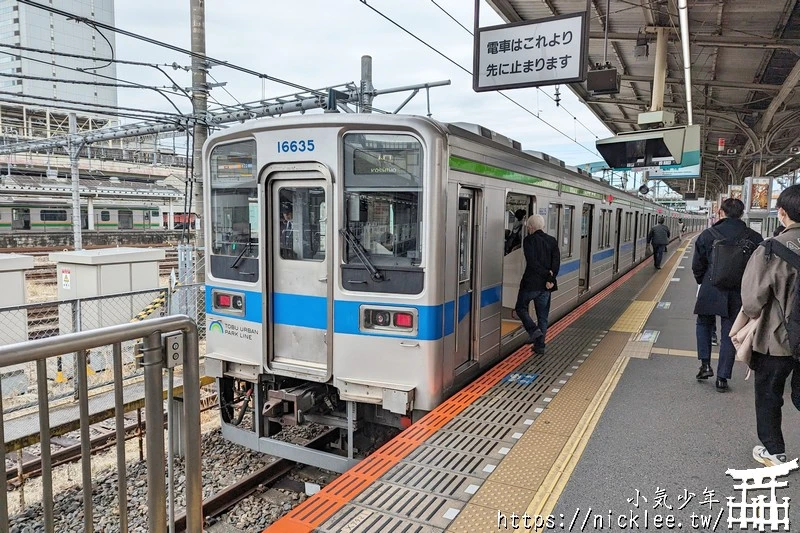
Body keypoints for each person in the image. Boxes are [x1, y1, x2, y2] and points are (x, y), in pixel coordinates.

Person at [739, 185, 800, 467]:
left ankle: (774, 452)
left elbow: (752, 301)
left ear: (782, 213)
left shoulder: (771, 250)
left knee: (769, 394)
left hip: (777, 340)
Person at [692, 198, 763, 391]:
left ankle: (705, 365)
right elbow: (758, 269)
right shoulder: (755, 237)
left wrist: (704, 281)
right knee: (729, 332)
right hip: (737, 291)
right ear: (741, 214)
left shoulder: (707, 235)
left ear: (721, 213)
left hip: (710, 287)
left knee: (704, 324)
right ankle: (723, 377)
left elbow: (697, 266)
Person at [515, 214, 560, 356]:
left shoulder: (528, 241)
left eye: (528, 227)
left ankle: (534, 332)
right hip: (546, 286)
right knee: (543, 316)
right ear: (543, 227)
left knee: (520, 308)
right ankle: (540, 347)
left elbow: (533, 263)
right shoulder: (552, 241)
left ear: (531, 227)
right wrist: (550, 279)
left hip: (530, 285)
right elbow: (556, 262)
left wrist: (547, 276)